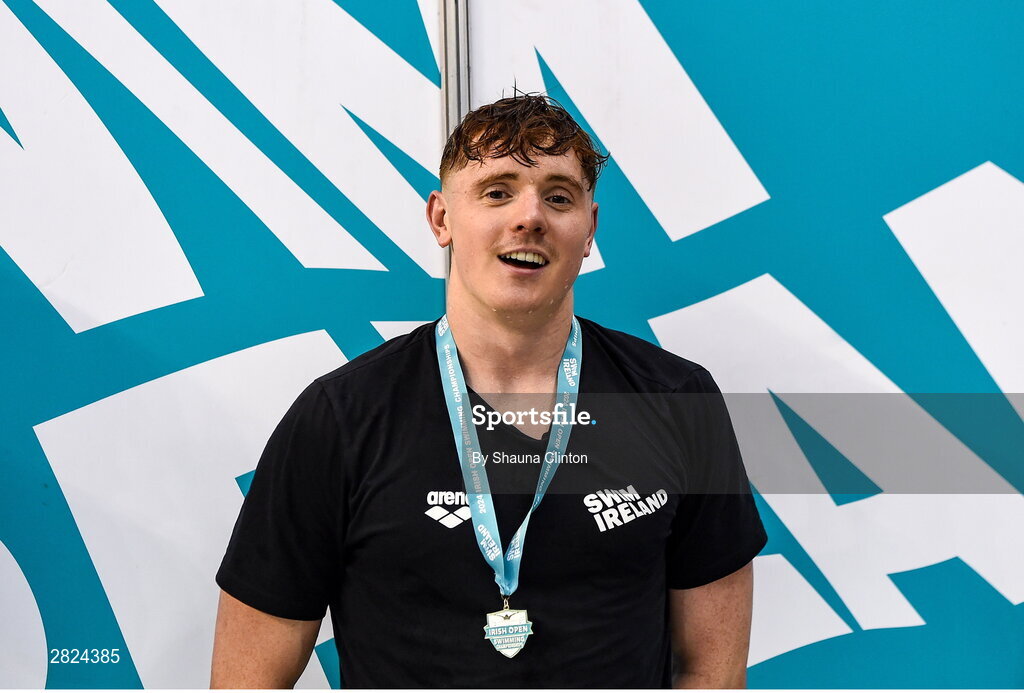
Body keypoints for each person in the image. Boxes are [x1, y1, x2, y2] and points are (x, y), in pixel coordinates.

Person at [211, 93, 767, 688]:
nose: (529, 217)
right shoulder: (340, 418)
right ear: (442, 219)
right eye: (497, 192)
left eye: (558, 197)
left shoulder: (677, 400)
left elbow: (712, 669)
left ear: (589, 230)